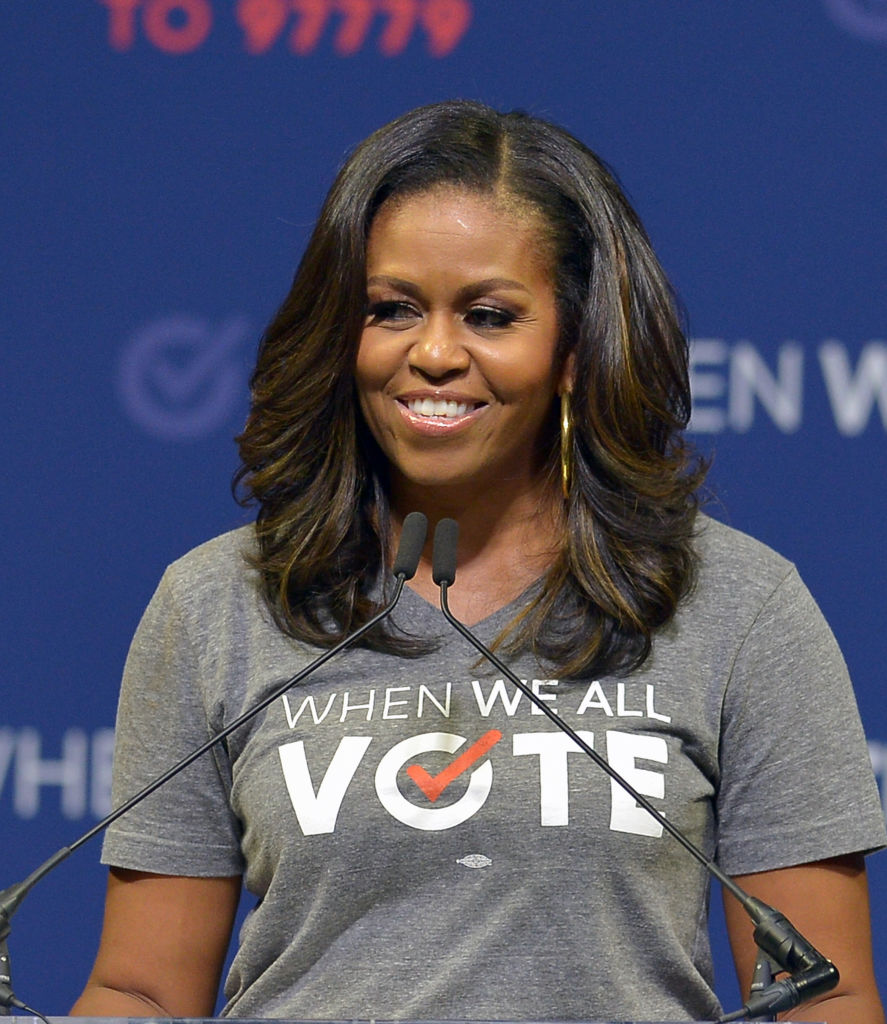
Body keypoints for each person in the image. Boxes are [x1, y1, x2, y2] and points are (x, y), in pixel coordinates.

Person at [72, 100, 885, 1022]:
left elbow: (825, 996)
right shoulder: (217, 602)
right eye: (390, 310)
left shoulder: (737, 606)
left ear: (574, 349)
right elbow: (143, 990)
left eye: (489, 315)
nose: (432, 353)